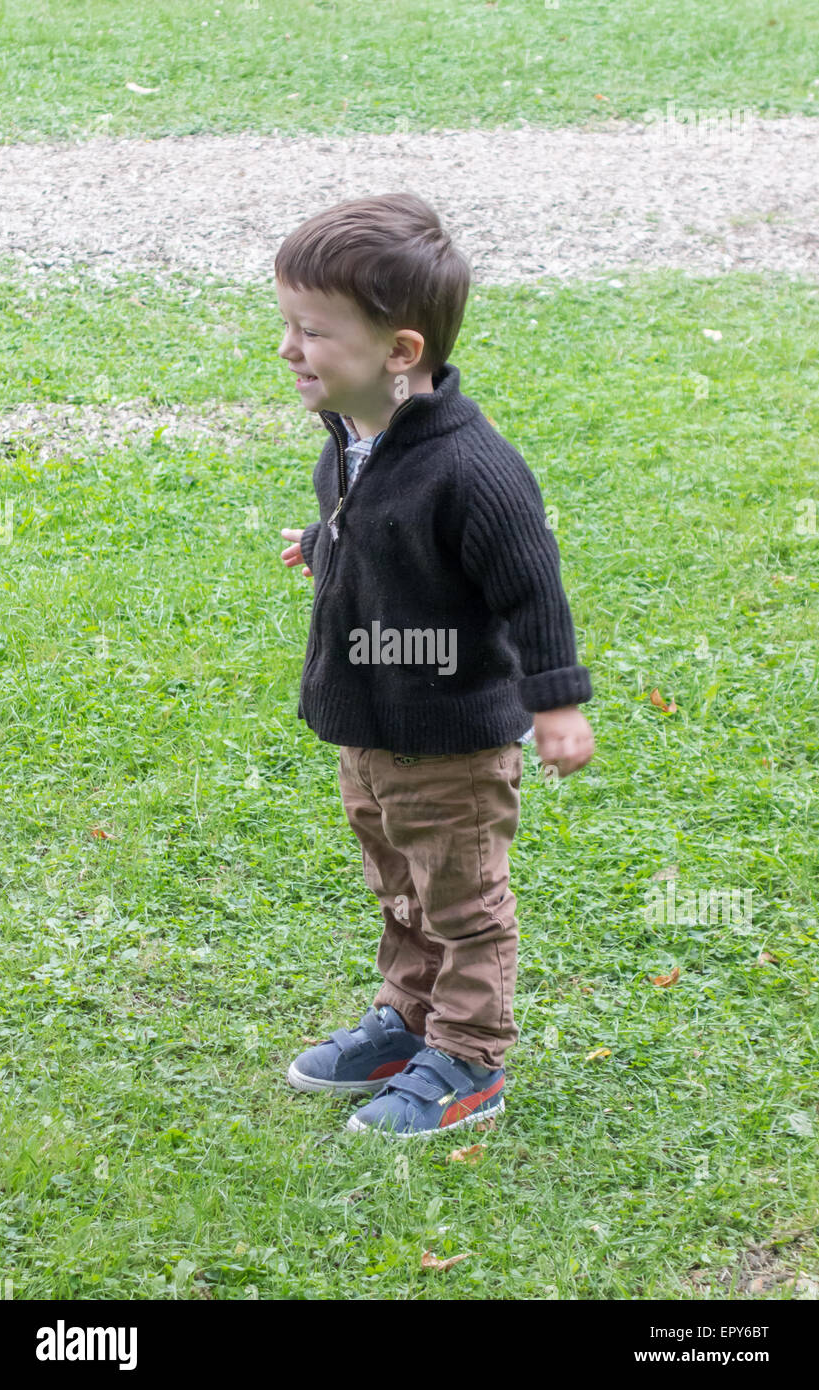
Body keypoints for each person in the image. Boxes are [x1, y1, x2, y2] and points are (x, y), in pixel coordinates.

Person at [276, 193, 594, 1139]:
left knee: (460, 900)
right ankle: (409, 1017)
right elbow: (381, 541)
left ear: (400, 352)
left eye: (311, 332)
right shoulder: (351, 443)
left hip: (449, 743)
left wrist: (556, 706)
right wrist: (327, 549)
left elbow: (530, 588)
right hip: (370, 729)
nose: (289, 350)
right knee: (399, 884)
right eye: (286, 325)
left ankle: (467, 1055)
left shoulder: (472, 468)